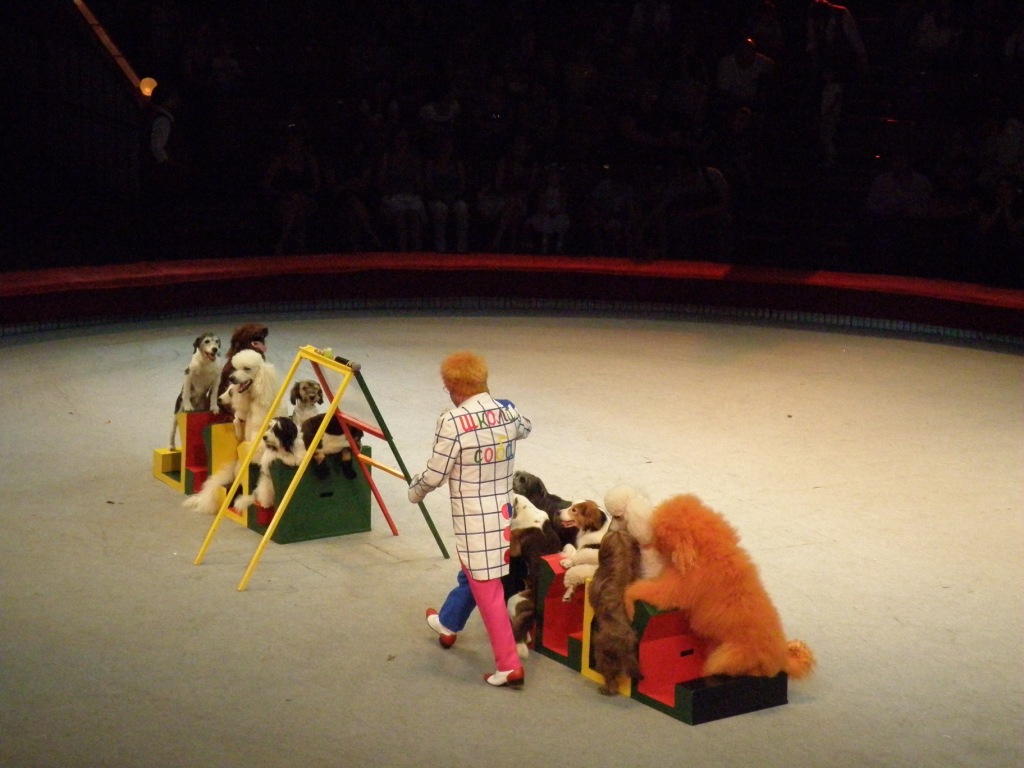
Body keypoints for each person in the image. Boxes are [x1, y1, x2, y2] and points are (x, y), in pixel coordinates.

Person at [409, 351, 532, 688]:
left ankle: (508, 665)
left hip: (473, 518)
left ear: (451, 386)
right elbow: (526, 428)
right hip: (503, 512)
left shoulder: (452, 421)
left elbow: (435, 475)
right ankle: (448, 623)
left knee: (486, 586)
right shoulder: (506, 411)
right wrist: (505, 410)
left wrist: (414, 491)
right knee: (477, 570)